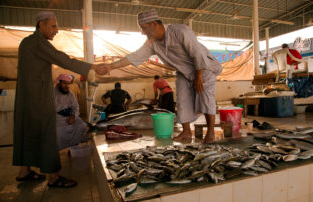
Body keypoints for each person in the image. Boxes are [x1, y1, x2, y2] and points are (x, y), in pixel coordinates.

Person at [13, 11, 108, 188]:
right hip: (39, 98)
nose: (56, 30)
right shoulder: (37, 42)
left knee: (27, 132)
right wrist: (93, 66)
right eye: (53, 26)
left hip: (27, 98)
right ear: (41, 25)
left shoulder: (26, 42)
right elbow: (62, 58)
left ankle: (24, 171)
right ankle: (53, 177)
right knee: (48, 135)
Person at [100, 10, 222, 143]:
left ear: (154, 24)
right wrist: (110, 67)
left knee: (205, 97)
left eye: (144, 28)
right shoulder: (152, 43)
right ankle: (186, 132)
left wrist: (199, 76)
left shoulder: (180, 31)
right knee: (182, 99)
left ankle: (210, 133)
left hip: (203, 67)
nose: (143, 32)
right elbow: (134, 57)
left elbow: (197, 53)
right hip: (183, 72)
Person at [54, 74, 87, 151]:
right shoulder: (52, 94)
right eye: (64, 83)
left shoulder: (70, 94)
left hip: (71, 116)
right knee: (58, 131)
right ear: (59, 83)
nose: (67, 86)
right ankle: (61, 151)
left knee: (82, 125)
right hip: (58, 118)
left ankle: (76, 148)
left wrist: (73, 116)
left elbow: (76, 107)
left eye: (68, 83)